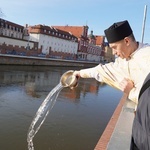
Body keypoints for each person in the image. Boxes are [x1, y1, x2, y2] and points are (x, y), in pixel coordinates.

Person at [73, 20, 150, 106]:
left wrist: (131, 92)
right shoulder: (123, 61)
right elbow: (102, 71)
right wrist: (79, 73)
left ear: (127, 41)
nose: (113, 53)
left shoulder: (147, 56)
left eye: (115, 47)